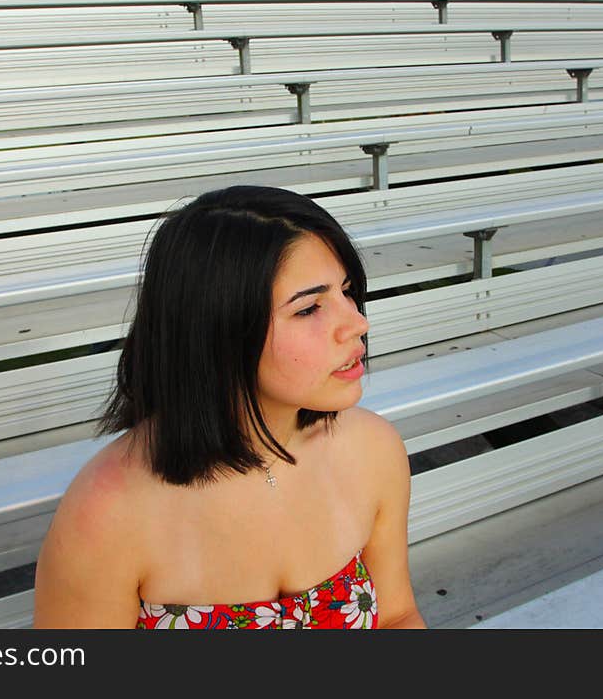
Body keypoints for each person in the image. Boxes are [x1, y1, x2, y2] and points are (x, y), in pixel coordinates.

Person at [33, 185, 426, 629]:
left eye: (348, 291)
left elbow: (397, 615)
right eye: (309, 308)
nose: (357, 322)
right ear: (219, 329)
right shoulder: (107, 513)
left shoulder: (373, 449)